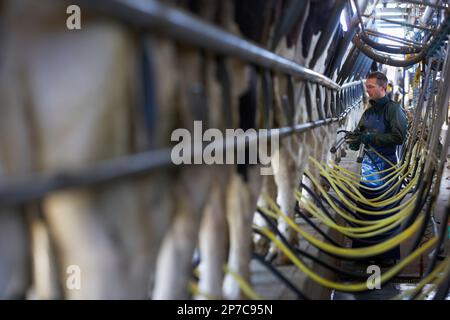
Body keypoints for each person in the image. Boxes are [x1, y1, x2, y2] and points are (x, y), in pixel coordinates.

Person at [348, 71, 408, 266]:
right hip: (368, 170)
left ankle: (387, 257)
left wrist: (371, 138)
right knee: (365, 211)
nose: (368, 91)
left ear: (384, 87)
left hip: (386, 168)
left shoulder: (393, 110)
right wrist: (355, 140)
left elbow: (399, 137)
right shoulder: (369, 111)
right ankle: (363, 254)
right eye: (367, 87)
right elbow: (360, 132)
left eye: (371, 87)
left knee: (385, 213)